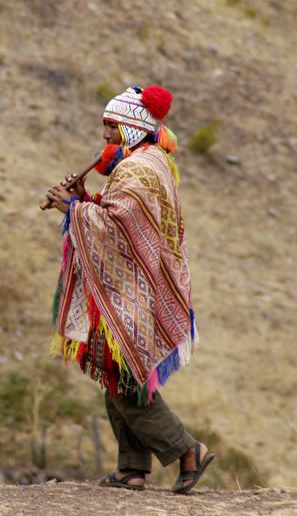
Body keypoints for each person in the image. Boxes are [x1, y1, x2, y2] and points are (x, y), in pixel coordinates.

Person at [44, 85, 215, 493]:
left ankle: (187, 450)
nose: (104, 134)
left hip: (133, 288)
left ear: (131, 126)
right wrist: (84, 199)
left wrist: (71, 208)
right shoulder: (149, 161)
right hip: (138, 283)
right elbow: (119, 217)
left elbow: (120, 227)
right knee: (117, 372)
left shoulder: (138, 170)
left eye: (110, 125)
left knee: (121, 375)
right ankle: (131, 468)